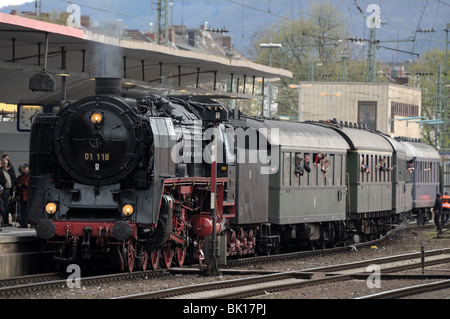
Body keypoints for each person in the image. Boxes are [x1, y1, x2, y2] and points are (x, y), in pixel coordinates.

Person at [0, 157, 15, 227]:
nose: (5, 165)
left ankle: (5, 221)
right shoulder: (1, 171)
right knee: (2, 207)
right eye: (4, 163)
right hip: (3, 191)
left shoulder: (7, 171)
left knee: (6, 207)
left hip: (8, 190)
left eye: (6, 163)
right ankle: (2, 222)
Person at [15, 164, 29, 228]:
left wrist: (22, 185)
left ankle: (25, 223)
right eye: (23, 168)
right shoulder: (21, 177)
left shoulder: (28, 176)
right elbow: (18, 186)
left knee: (25, 210)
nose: (23, 169)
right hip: (22, 195)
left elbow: (28, 184)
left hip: (27, 195)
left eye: (25, 168)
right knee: (22, 210)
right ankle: (23, 223)